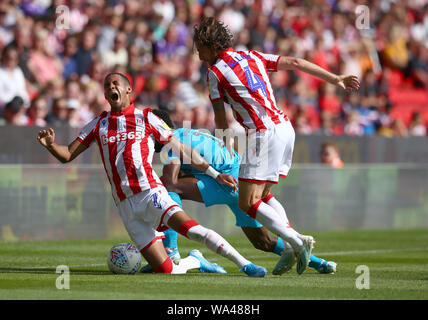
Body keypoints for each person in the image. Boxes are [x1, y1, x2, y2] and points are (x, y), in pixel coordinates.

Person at [37, 72, 267, 277]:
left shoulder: (146, 118)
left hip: (151, 192)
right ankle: (195, 260)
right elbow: (67, 154)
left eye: (115, 83)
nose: (110, 88)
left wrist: (215, 175)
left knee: (193, 230)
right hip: (125, 205)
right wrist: (50, 145)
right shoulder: (98, 124)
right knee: (166, 270)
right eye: (107, 86)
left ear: (129, 89)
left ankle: (245, 265)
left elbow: (182, 149)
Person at [193, 17, 360, 275]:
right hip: (284, 127)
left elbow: (219, 118)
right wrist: (335, 78)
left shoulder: (214, 73)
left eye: (200, 46)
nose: (197, 52)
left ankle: (296, 241)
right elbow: (295, 62)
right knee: (265, 196)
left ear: (213, 45)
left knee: (247, 202)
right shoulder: (252, 56)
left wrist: (225, 149)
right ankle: (293, 247)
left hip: (263, 133)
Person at [140, 110, 337, 274]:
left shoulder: (172, 143)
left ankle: (171, 250)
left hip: (227, 181)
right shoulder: (187, 133)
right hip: (239, 176)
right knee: (263, 242)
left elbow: (169, 181)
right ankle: (320, 263)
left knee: (166, 189)